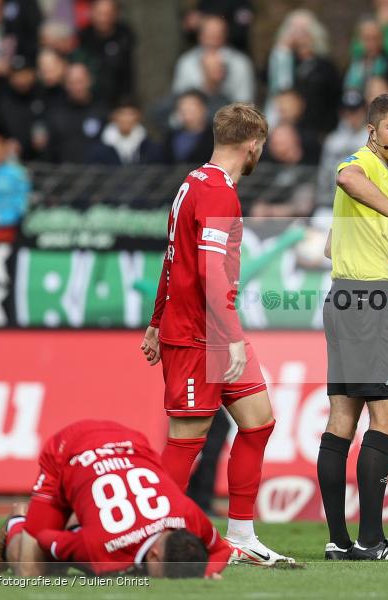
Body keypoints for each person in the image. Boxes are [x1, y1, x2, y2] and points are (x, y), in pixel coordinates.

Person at [141, 102, 294, 566]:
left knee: (259, 421)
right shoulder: (218, 195)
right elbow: (208, 271)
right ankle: (153, 539)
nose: (259, 154)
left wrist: (152, 320)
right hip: (198, 335)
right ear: (253, 144)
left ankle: (242, 536)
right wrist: (225, 337)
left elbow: (172, 258)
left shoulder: (193, 183)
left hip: (213, 329)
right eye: (260, 147)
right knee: (188, 438)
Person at [317, 93, 388, 562]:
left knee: (343, 419)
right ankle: (371, 541)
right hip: (366, 306)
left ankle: (340, 542)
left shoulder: (380, 176)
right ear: (372, 131)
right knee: (387, 419)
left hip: (347, 295)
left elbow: (329, 245)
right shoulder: (363, 165)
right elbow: (345, 176)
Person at [0, 419, 238, 579]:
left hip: (130, 442)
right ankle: (16, 521)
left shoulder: (189, 517)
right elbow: (45, 538)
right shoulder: (102, 549)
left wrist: (200, 572)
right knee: (33, 570)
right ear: (155, 556)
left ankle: (80, 517)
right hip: (69, 449)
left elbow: (219, 552)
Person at [172, 14, 254, 104]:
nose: (213, 38)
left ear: (225, 35)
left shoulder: (240, 63)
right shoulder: (186, 62)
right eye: (209, 33)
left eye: (217, 34)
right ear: (200, 35)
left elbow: (245, 102)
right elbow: (178, 98)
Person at [76, 0, 135, 107]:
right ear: (91, 12)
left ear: (116, 14)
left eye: (107, 14)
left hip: (117, 97)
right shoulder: (83, 36)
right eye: (99, 13)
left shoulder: (124, 35)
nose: (103, 19)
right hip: (88, 99)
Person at [88, 99, 163, 165]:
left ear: (138, 116)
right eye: (122, 113)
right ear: (114, 116)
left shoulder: (150, 148)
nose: (126, 119)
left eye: (131, 114)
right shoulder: (99, 149)